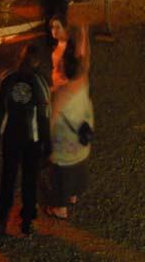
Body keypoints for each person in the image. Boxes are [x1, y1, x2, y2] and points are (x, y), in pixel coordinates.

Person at [0, 44, 51, 236]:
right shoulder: (40, 82)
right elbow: (44, 114)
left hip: (11, 135)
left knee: (8, 178)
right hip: (31, 139)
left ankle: (2, 217)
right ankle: (27, 220)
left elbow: (0, 107)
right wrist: (47, 142)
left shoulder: (8, 79)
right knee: (29, 179)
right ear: (37, 62)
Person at [45, 44, 93, 221]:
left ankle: (60, 208)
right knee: (79, 167)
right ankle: (73, 195)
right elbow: (85, 60)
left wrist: (48, 145)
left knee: (61, 176)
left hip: (65, 145)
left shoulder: (61, 94)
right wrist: (83, 35)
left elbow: (53, 121)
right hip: (82, 138)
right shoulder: (84, 82)